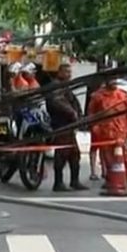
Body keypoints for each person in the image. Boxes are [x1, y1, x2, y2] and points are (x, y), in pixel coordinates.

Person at [46, 63, 87, 192]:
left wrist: (79, 116)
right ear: (60, 72)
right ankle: (58, 183)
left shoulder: (65, 87)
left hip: (69, 126)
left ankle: (74, 181)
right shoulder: (55, 87)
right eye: (67, 72)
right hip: (61, 125)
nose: (69, 75)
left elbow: (74, 102)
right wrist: (73, 114)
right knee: (61, 154)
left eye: (70, 72)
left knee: (74, 154)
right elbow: (59, 103)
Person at [87, 77, 127, 190]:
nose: (114, 83)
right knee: (108, 158)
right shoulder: (98, 96)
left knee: (125, 156)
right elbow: (91, 113)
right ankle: (110, 178)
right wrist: (94, 126)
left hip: (121, 131)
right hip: (105, 132)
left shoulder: (123, 95)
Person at [85, 79, 106, 181]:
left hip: (107, 126)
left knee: (104, 149)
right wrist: (93, 125)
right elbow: (90, 111)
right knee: (95, 148)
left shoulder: (109, 95)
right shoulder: (96, 96)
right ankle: (94, 171)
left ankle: (104, 170)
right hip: (97, 125)